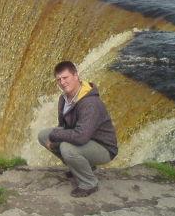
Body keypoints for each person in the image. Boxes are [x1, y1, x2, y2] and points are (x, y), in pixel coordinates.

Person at [38, 61, 118, 197]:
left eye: (65, 77)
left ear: (76, 76)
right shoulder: (63, 99)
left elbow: (81, 137)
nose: (62, 82)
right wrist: (55, 136)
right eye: (59, 79)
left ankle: (89, 183)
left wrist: (56, 137)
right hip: (83, 140)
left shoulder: (90, 103)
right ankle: (83, 167)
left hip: (103, 147)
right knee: (43, 135)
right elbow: (63, 126)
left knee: (67, 148)